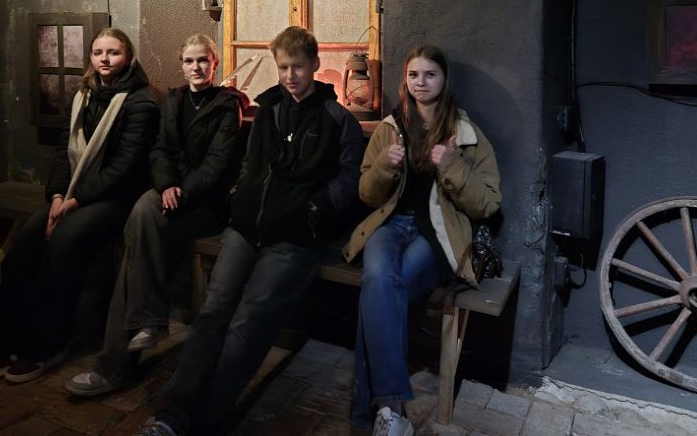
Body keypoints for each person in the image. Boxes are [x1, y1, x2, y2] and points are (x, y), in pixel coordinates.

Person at [132, 26, 365, 436]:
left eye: (298, 67)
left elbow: (348, 180)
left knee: (250, 319)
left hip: (296, 236)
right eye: (283, 68)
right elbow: (249, 165)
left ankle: (205, 420)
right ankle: (172, 414)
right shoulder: (270, 109)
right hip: (247, 226)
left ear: (314, 65)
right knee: (213, 311)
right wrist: (242, 196)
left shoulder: (336, 119)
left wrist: (314, 210)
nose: (290, 76)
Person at [65, 34, 249, 397]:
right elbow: (160, 149)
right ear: (182, 64)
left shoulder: (227, 105)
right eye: (189, 61)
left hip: (204, 204)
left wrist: (181, 191)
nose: (196, 67)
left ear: (214, 63)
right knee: (141, 212)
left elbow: (216, 165)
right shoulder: (174, 99)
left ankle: (117, 361)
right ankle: (145, 325)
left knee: (137, 246)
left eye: (203, 60)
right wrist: (166, 185)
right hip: (169, 194)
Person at [0, 27, 159, 384]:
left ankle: (47, 345)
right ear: (91, 57)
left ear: (128, 57)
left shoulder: (141, 101)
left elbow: (125, 167)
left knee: (64, 244)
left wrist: (73, 203)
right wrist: (57, 197)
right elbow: (64, 154)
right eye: (98, 52)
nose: (105, 59)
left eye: (113, 52)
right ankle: (7, 340)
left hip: (117, 198)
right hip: (74, 194)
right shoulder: (82, 96)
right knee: (23, 248)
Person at [343, 45, 501, 436]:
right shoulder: (389, 127)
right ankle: (391, 410)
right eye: (414, 75)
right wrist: (383, 166)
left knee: (381, 290)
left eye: (430, 74)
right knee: (379, 280)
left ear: (444, 80)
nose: (421, 83)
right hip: (389, 225)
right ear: (405, 80)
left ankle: (374, 413)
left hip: (437, 232)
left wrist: (453, 165)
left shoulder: (466, 133)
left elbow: (488, 203)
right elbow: (366, 194)